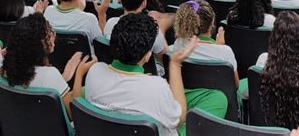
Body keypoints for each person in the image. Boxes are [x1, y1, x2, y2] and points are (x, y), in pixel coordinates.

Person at [85, 13, 227, 136]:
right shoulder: (156, 87)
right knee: (219, 99)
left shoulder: (94, 72)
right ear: (147, 56)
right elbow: (179, 118)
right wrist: (175, 64)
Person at [3, 14, 95, 118]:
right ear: (40, 43)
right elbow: (73, 113)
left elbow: (42, 84)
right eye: (50, 33)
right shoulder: (49, 74)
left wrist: (64, 76)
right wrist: (79, 73)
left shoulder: (7, 69)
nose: (54, 35)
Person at [173, 0, 239, 87]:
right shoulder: (225, 51)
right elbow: (236, 86)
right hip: (218, 98)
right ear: (212, 23)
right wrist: (220, 47)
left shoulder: (178, 43)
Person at [104, 0, 168, 61]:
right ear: (143, 3)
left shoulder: (110, 23)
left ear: (120, 0)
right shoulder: (153, 30)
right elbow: (163, 59)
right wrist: (162, 28)